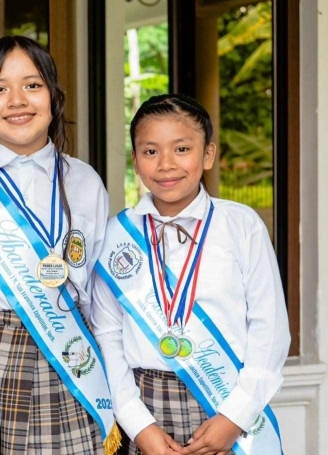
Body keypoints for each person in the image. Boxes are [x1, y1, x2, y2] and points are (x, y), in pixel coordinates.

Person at [0, 35, 120, 455]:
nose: (17, 100)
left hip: (71, 354)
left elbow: (100, 294)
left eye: (32, 85)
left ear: (53, 96)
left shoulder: (84, 181)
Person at [90, 94, 289, 455]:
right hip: (143, 405)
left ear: (208, 154)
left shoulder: (241, 226)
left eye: (182, 149)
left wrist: (235, 417)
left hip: (226, 406)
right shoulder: (116, 237)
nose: (166, 164)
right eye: (150, 152)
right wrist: (139, 425)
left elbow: (270, 330)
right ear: (135, 160)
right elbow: (108, 335)